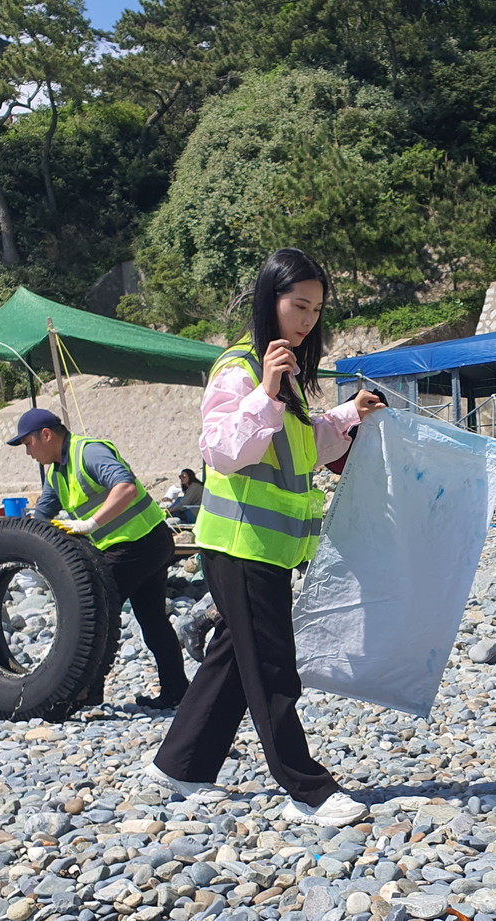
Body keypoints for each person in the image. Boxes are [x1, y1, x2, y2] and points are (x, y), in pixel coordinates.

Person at [147, 247, 386, 827]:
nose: (306, 320)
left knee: (235, 654)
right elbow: (223, 449)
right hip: (240, 543)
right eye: (297, 305)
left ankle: (178, 765)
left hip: (269, 548)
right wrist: (270, 393)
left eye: (315, 309)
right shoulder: (241, 369)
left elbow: (309, 448)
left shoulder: (288, 377)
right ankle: (306, 787)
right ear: (268, 300)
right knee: (272, 665)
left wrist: (350, 413)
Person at [10, 407, 189, 709]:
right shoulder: (56, 474)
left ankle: (85, 692)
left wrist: (91, 524)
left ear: (46, 435)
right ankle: (177, 691)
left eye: (28, 443)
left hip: (140, 543)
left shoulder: (88, 452)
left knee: (93, 614)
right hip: (139, 545)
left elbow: (126, 487)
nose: (28, 452)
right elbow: (41, 518)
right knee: (152, 621)